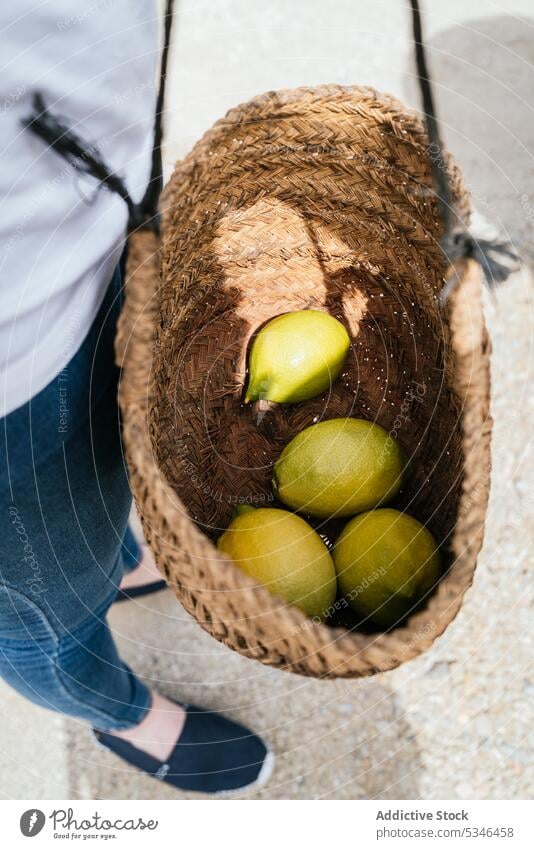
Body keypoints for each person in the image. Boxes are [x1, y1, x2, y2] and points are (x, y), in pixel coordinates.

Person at [0, 1, 272, 794]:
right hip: (10, 354)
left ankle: (111, 561)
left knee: (102, 467)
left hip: (96, 223)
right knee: (39, 613)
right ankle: (119, 712)